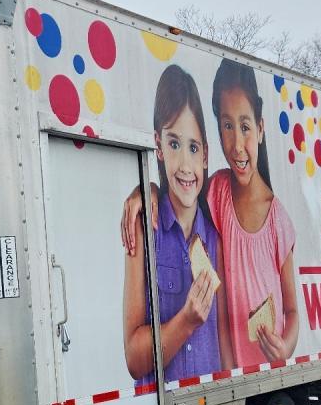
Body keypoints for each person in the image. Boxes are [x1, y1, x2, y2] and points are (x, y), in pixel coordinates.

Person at [122, 59, 299, 368]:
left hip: (264, 373)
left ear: (260, 128)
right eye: (227, 126)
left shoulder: (273, 221)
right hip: (214, 381)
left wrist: (285, 347)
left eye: (245, 126)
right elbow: (183, 191)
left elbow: (291, 309)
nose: (237, 144)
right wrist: (146, 188)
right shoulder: (215, 194)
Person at [123, 65, 233, 384]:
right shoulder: (144, 227)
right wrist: (186, 320)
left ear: (206, 155)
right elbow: (134, 359)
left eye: (193, 147)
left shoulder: (216, 238)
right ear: (158, 145)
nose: (185, 165)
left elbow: (224, 347)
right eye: (174, 144)